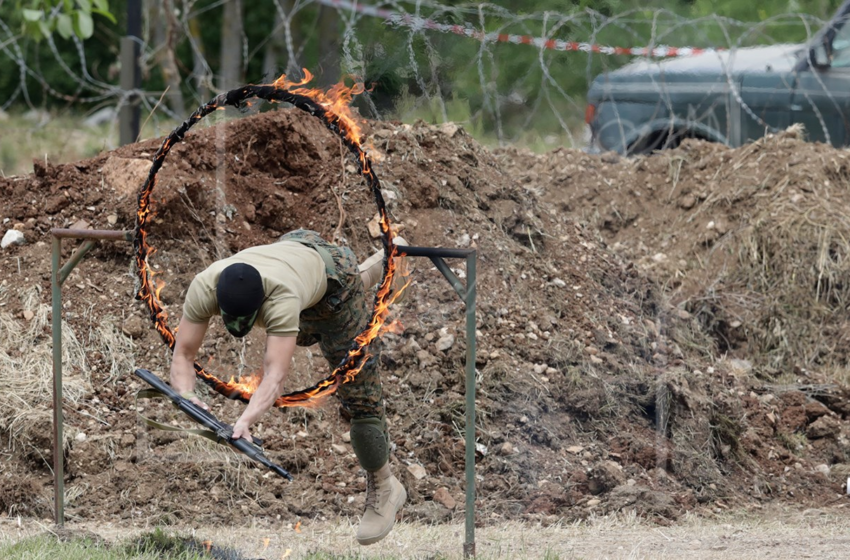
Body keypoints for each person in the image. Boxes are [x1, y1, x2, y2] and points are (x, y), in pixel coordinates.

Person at [169, 229, 408, 545]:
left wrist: (246, 421)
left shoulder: (281, 297)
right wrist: (187, 397)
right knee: (316, 310)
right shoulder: (204, 285)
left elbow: (275, 376)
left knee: (356, 386)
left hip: (329, 288)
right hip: (298, 250)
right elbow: (183, 355)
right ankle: (381, 262)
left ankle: (385, 486)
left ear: (262, 305)